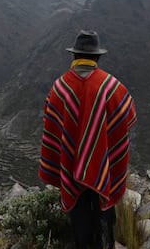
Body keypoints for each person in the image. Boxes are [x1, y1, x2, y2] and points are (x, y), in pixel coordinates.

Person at [39, 30, 137, 249]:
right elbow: (128, 114)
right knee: (104, 216)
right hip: (103, 165)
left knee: (79, 219)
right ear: (97, 58)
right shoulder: (111, 87)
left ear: (75, 56)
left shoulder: (60, 88)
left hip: (71, 165)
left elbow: (51, 124)